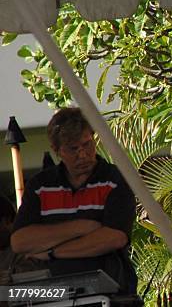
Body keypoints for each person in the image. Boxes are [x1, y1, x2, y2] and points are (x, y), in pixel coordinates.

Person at [10, 108, 137, 293]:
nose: (83, 154)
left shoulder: (115, 178)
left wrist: (52, 252)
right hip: (54, 293)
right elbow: (20, 242)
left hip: (112, 291)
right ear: (56, 150)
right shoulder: (41, 185)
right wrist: (81, 227)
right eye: (73, 149)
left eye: (87, 144)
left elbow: (115, 238)